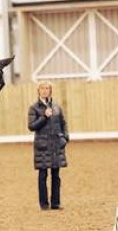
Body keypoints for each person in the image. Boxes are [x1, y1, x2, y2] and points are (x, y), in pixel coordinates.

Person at [28, 80, 69, 210]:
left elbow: (63, 123)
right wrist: (44, 117)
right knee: (42, 175)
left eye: (47, 88)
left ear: (50, 90)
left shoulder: (57, 107)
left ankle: (56, 203)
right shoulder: (34, 108)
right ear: (38, 91)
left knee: (56, 176)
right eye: (42, 88)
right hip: (43, 146)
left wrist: (65, 137)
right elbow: (31, 126)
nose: (45, 90)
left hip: (56, 145)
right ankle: (44, 204)